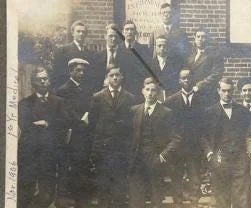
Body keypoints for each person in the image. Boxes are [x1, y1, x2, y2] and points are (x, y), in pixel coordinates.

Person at [18, 66, 69, 208]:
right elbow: (24, 124)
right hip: (30, 153)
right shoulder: (25, 103)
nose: (42, 81)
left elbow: (64, 122)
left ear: (49, 81)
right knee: (25, 190)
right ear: (33, 83)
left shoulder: (59, 102)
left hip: (50, 153)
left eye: (45, 78)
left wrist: (48, 123)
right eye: (39, 79)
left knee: (47, 191)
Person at [128, 77, 182, 208]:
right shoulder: (134, 110)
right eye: (147, 90)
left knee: (156, 199)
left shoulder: (166, 112)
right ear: (142, 91)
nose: (150, 93)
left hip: (155, 162)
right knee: (136, 200)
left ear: (157, 93)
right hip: (137, 162)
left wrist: (162, 156)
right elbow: (127, 136)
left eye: (153, 90)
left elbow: (176, 139)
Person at [88, 66, 136, 207]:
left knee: (120, 186)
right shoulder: (97, 97)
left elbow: (132, 125)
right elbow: (93, 124)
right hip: (103, 149)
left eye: (118, 75)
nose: (115, 77)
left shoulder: (130, 98)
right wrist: (95, 149)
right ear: (107, 78)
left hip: (122, 149)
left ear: (122, 77)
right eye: (111, 75)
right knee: (103, 186)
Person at [201, 78, 251, 208]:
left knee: (241, 199)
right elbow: (203, 136)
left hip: (240, 161)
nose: (227, 94)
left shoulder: (243, 111)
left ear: (233, 91)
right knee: (220, 199)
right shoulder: (209, 112)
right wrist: (210, 154)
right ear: (218, 91)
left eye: (229, 91)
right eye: (224, 91)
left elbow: (249, 135)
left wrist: (247, 156)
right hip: (219, 160)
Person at [165, 69, 208, 207]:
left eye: (189, 77)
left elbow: (204, 125)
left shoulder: (201, 101)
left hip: (194, 147)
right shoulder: (170, 101)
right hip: (177, 148)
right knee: (176, 178)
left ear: (193, 79)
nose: (187, 80)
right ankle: (178, 204)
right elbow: (167, 125)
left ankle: (194, 204)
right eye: (183, 78)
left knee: (195, 178)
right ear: (179, 81)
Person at [55, 58, 92, 208]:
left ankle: (80, 199)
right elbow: (66, 112)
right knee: (68, 166)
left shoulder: (86, 88)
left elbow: (90, 107)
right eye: (78, 70)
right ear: (71, 71)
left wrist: (88, 116)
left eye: (83, 70)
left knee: (81, 165)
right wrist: (81, 121)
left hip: (84, 135)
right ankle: (65, 199)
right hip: (70, 134)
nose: (81, 73)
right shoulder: (63, 90)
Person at [186, 28, 224, 106]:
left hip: (207, 95)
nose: (200, 39)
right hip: (191, 93)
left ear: (207, 39)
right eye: (198, 37)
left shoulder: (214, 54)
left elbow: (217, 73)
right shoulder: (191, 55)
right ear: (195, 38)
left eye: (203, 37)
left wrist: (199, 86)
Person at [52, 20, 92, 90]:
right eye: (78, 31)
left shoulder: (89, 52)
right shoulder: (63, 50)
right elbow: (58, 72)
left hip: (84, 90)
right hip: (67, 89)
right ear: (72, 33)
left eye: (83, 32)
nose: (81, 34)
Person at [121, 20, 151, 96]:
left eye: (132, 29)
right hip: (122, 89)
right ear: (122, 32)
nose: (129, 32)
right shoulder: (118, 49)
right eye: (127, 29)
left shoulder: (144, 50)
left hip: (138, 89)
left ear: (135, 32)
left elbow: (146, 71)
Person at [92, 23, 125, 91]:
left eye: (116, 36)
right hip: (101, 90)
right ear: (105, 36)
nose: (113, 39)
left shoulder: (125, 55)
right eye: (110, 36)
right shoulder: (97, 56)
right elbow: (94, 77)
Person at [151, 35, 183, 101]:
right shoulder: (149, 63)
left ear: (168, 47)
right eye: (159, 46)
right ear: (155, 47)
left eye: (164, 46)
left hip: (171, 98)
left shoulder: (176, 64)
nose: (162, 48)